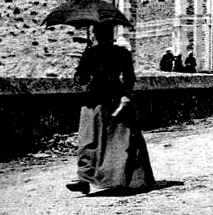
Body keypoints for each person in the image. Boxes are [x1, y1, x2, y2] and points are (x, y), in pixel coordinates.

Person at [65, 23, 154, 195]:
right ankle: (121, 178)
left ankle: (85, 177)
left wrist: (82, 63)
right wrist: (126, 95)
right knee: (121, 141)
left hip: (95, 99)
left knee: (89, 139)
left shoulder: (90, 52)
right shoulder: (122, 52)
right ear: (111, 34)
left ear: (95, 35)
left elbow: (80, 79)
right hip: (116, 96)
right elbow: (129, 78)